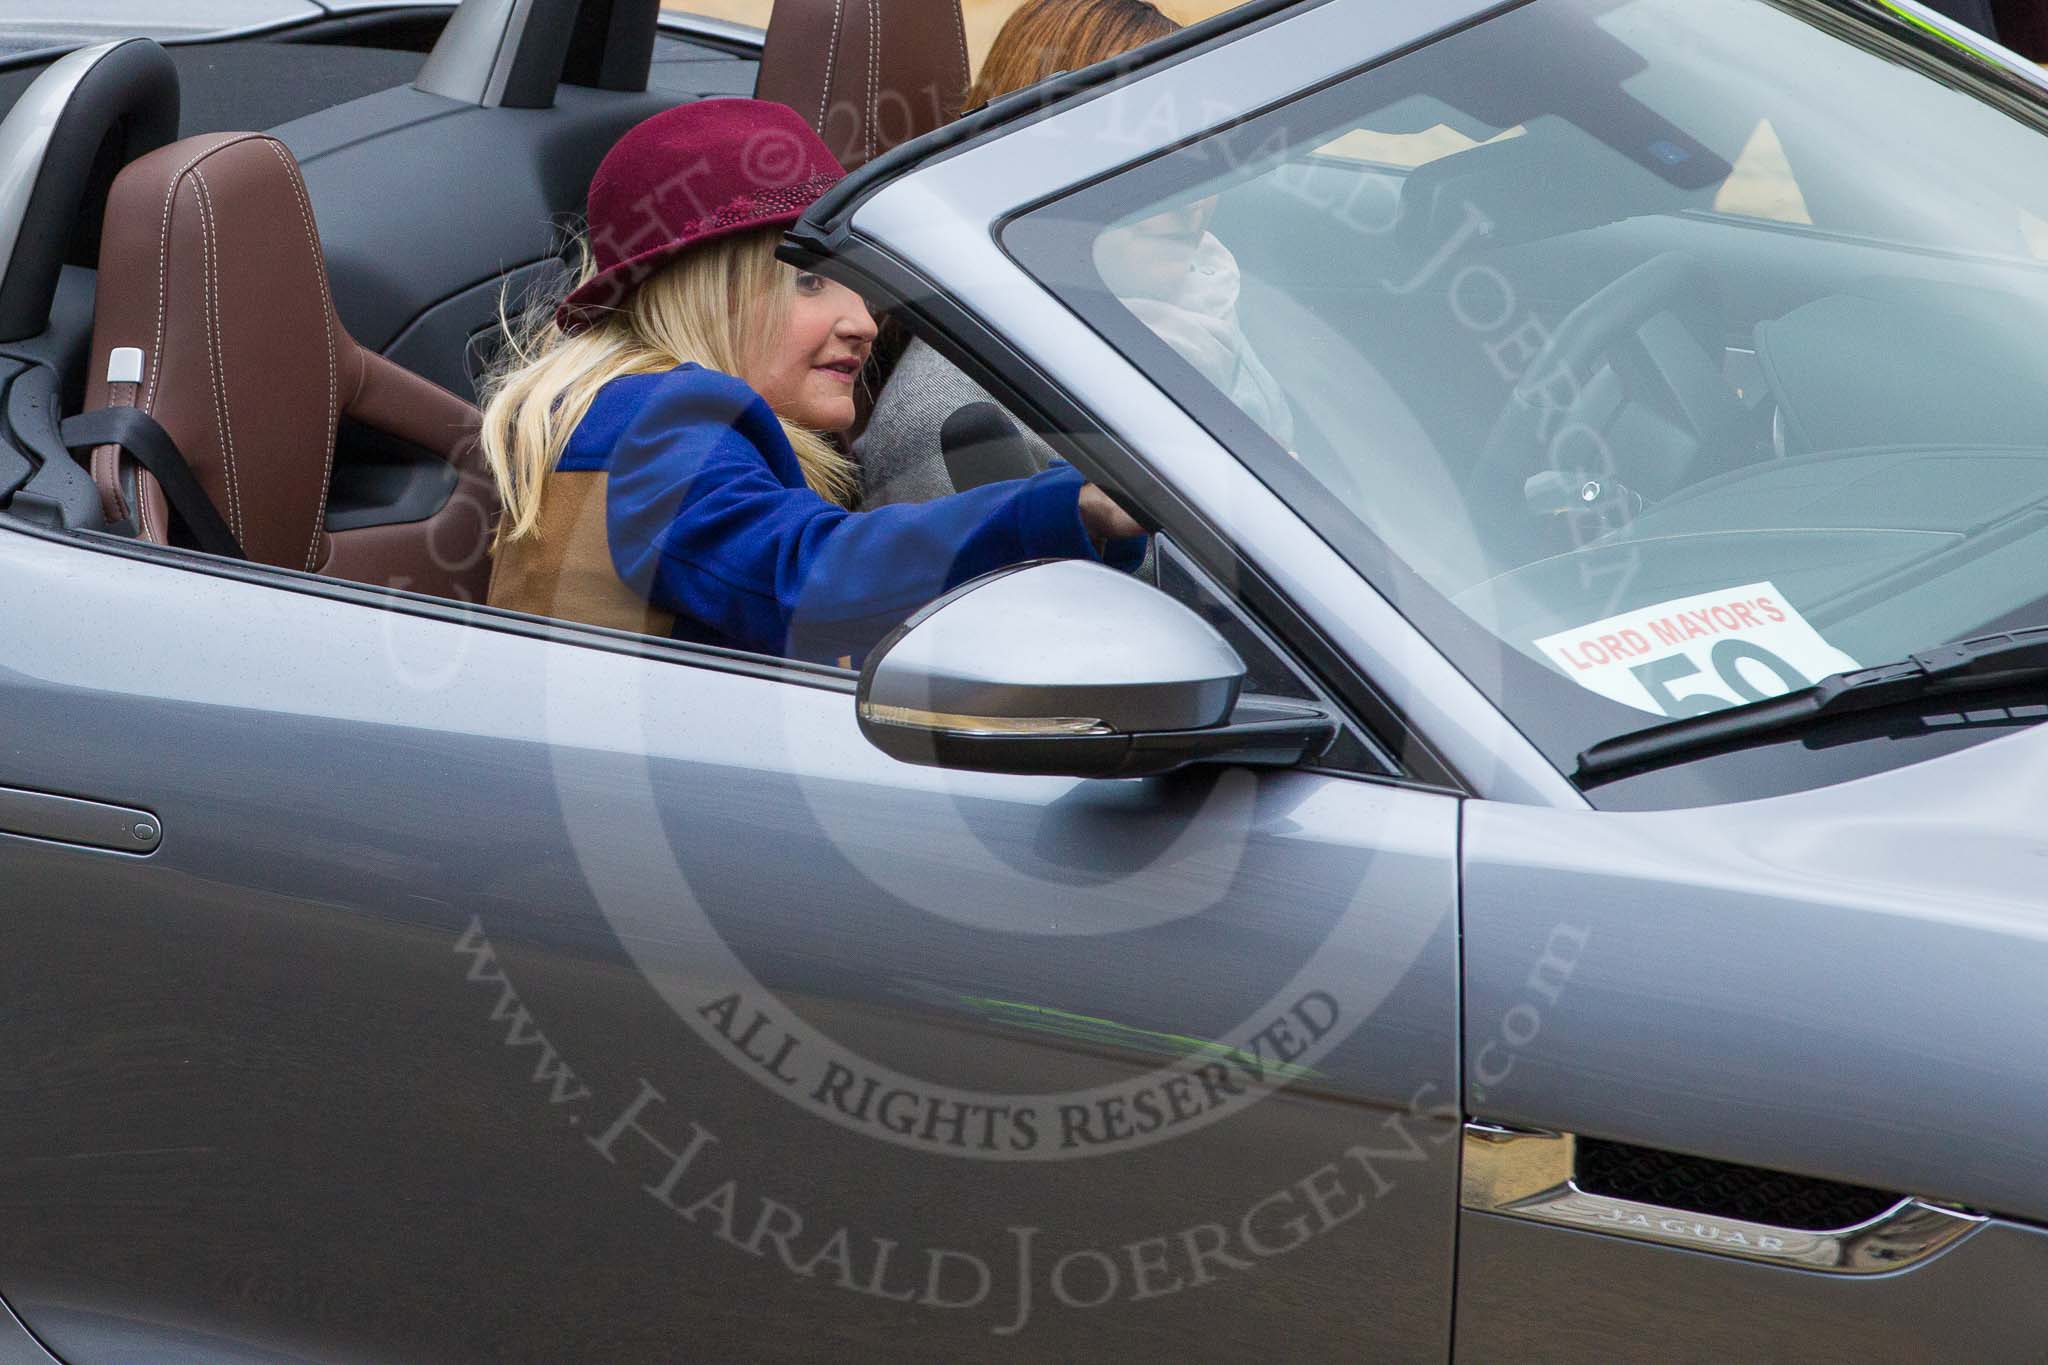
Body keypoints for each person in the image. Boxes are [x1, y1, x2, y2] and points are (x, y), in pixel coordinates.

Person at [478, 99, 1145, 664]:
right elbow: (802, 579)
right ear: (706, 294)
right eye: (809, 280)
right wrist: (1066, 506)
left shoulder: (629, 416)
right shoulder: (655, 419)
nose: (863, 321)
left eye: (858, 285)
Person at [856, 0, 1294, 507]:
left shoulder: (1203, 302)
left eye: (1200, 153)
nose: (1189, 197)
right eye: (1149, 155)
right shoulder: (957, 416)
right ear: (1030, 160)